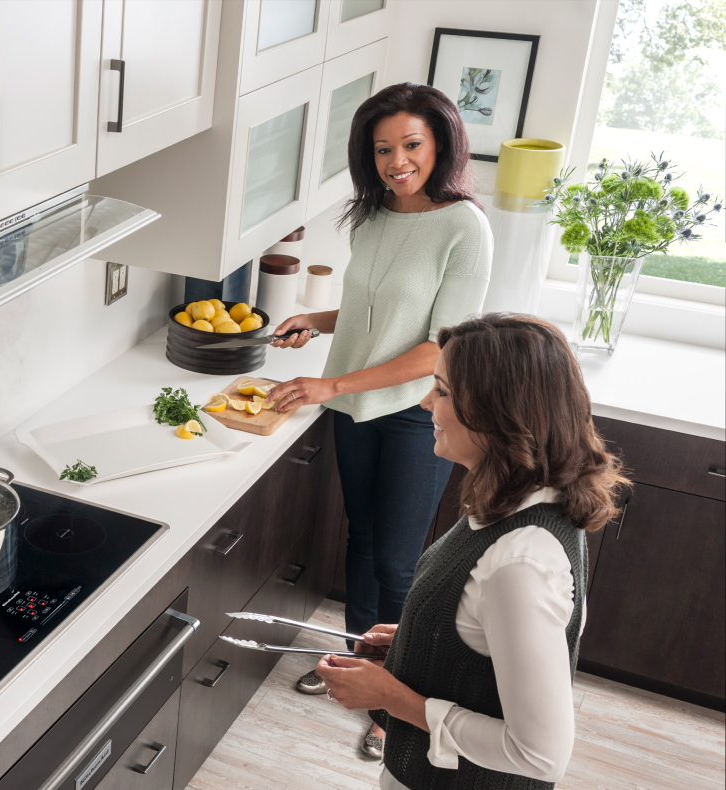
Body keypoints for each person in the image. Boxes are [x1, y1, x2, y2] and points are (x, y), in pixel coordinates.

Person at [267, 82, 492, 758]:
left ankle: (396, 705)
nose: (398, 160)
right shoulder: (371, 215)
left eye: (412, 145)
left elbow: (437, 344)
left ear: (441, 143)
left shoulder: (463, 226)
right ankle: (356, 669)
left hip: (414, 415)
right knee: (360, 546)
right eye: (384, 148)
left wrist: (329, 381)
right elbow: (375, 309)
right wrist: (317, 319)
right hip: (355, 408)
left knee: (399, 563)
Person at [312, 314, 627, 789]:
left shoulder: (521, 563)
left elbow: (540, 756)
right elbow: (490, 632)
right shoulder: (521, 501)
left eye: (441, 390)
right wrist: (424, 639)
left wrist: (393, 698)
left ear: (497, 413)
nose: (425, 404)